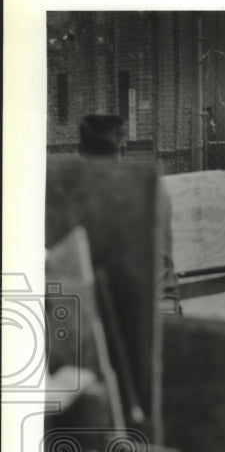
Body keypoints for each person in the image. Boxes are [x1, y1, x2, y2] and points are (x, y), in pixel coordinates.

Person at [78, 114, 181, 314]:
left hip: (149, 304)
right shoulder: (151, 188)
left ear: (81, 151)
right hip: (150, 301)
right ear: (123, 149)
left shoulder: (141, 191)